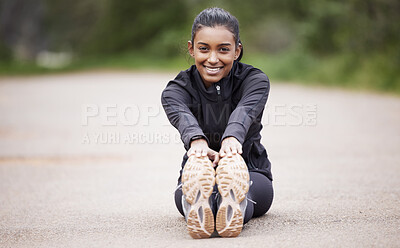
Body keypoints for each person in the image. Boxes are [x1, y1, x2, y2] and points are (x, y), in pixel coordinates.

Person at [161, 7, 273, 239]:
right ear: (191, 49)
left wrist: (232, 138)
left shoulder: (254, 81)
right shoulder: (177, 89)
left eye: (223, 50)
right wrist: (196, 140)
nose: (213, 59)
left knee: (250, 191)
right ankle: (201, 202)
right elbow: (180, 113)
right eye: (204, 49)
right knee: (186, 194)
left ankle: (234, 203)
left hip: (251, 169)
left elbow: (245, 110)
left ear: (237, 50)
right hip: (198, 168)